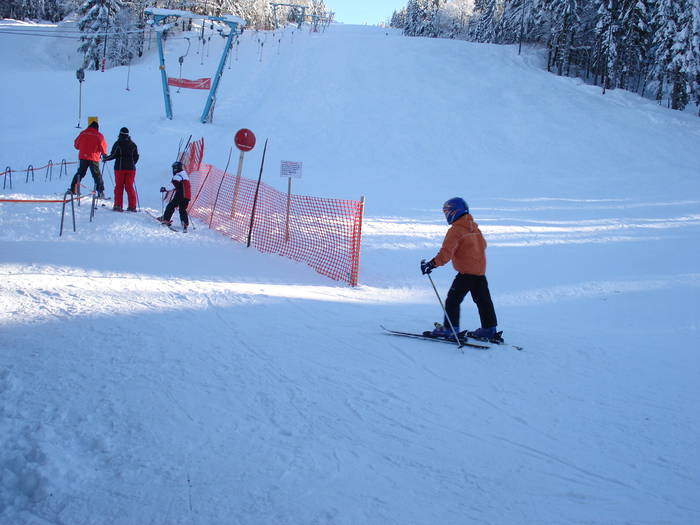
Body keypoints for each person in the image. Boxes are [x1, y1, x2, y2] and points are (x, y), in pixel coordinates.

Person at [421, 197, 499, 341]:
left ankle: (450, 329)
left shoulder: (456, 230)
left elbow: (446, 253)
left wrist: (432, 264)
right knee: (483, 301)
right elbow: (484, 245)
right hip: (480, 273)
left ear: (454, 212)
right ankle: (489, 329)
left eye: (446, 211)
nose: (446, 215)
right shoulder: (475, 228)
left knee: (452, 300)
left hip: (466, 274)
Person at [103, 127, 139, 212]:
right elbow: (136, 157)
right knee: (129, 187)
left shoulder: (118, 144)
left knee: (119, 187)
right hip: (131, 169)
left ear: (120, 134)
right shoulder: (133, 144)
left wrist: (105, 158)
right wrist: (132, 164)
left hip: (120, 168)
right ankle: (132, 206)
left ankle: (118, 205)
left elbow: (113, 155)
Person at [69, 120, 107, 198]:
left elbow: (76, 145)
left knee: (80, 173)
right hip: (93, 157)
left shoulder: (83, 133)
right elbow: (103, 146)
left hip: (83, 157)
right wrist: (104, 154)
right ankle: (100, 192)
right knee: (96, 175)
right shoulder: (99, 135)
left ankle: (73, 189)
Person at [158, 161, 191, 232]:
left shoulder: (177, 176)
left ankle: (166, 219)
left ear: (175, 169)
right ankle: (185, 223)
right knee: (182, 209)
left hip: (180, 195)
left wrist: (165, 189)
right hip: (187, 196)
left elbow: (172, 185)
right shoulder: (185, 175)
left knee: (171, 206)